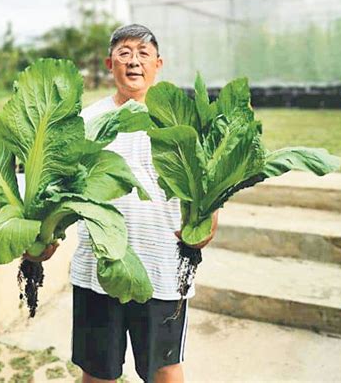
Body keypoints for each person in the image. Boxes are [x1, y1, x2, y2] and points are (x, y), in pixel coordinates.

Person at [25, 24, 218, 383]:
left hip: (162, 267)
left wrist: (209, 218)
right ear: (109, 63)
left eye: (143, 54)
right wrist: (41, 238)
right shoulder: (86, 120)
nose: (133, 61)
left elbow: (207, 179)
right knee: (97, 372)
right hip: (98, 269)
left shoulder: (178, 118)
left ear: (158, 63)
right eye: (124, 53)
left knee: (164, 370)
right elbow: (58, 186)